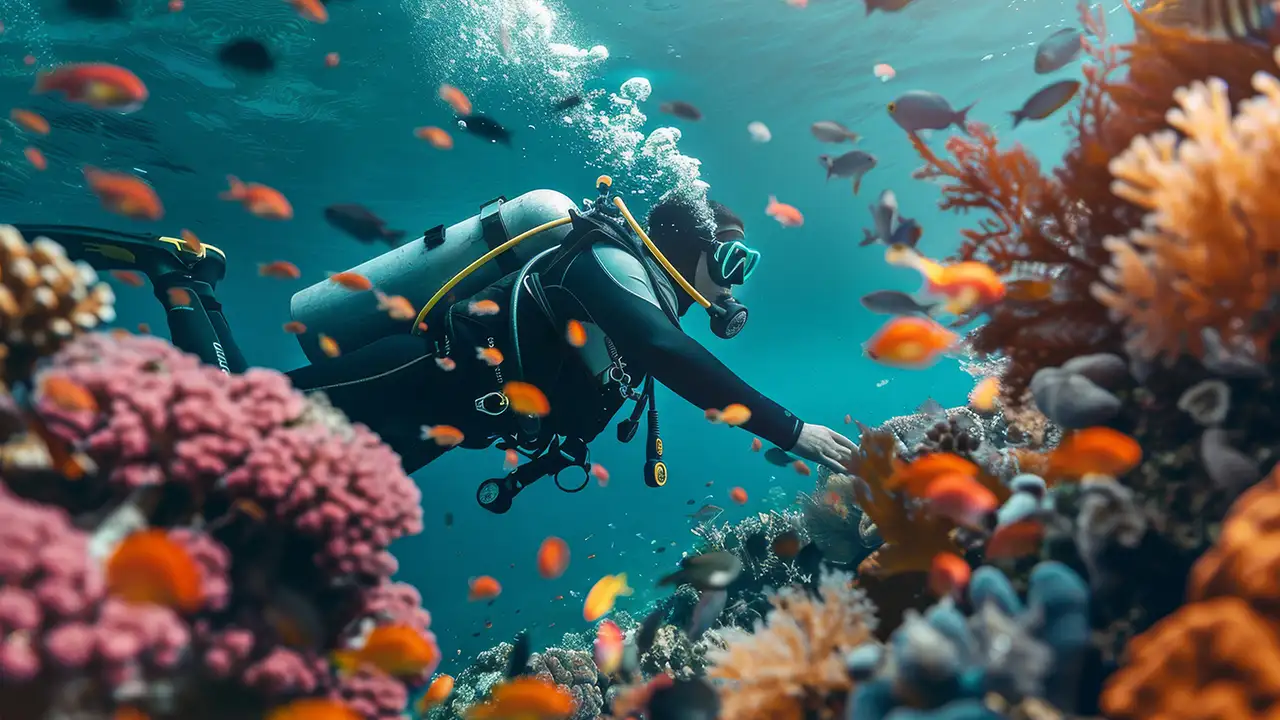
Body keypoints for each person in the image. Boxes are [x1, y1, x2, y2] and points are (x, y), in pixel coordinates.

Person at [16, 179, 857, 513]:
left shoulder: (644, 292)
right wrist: (793, 432)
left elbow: (653, 347)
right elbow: (662, 350)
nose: (736, 284)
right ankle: (181, 280)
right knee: (229, 431)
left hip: (450, 422)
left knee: (266, 498)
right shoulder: (599, 261)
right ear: (684, 244)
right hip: (419, 378)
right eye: (732, 262)